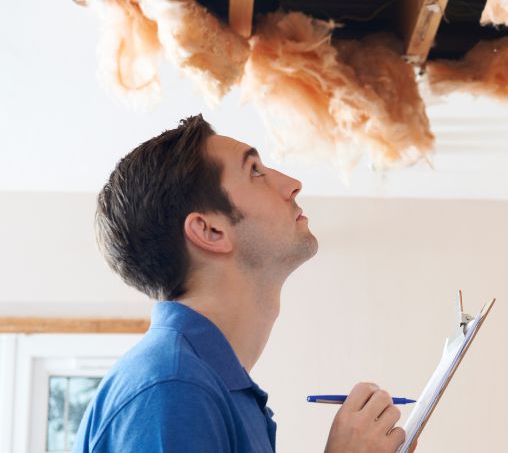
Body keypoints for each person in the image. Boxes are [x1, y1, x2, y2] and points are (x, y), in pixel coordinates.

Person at [74, 114, 407, 452]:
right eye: (255, 172)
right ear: (210, 231)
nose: (292, 184)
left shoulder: (205, 387)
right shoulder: (175, 387)